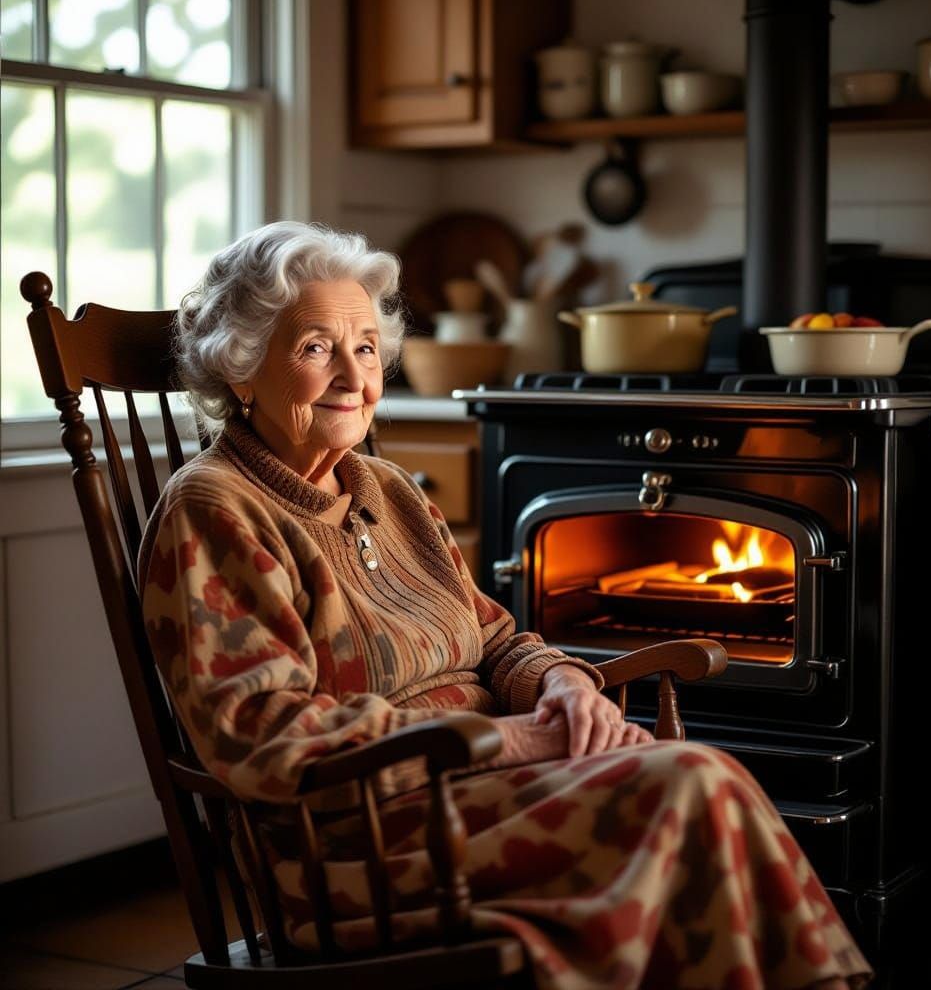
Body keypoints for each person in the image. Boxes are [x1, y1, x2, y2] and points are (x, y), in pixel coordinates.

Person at [138, 221, 871, 990]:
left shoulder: (386, 488)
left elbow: (493, 638)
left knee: (702, 776)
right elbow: (265, 734)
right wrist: (509, 741)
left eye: (366, 348)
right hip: (364, 844)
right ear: (242, 369)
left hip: (481, 792)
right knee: (687, 786)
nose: (354, 377)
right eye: (317, 348)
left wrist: (563, 685)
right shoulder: (215, 509)